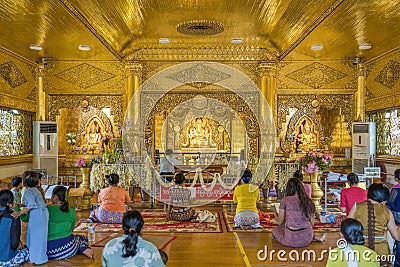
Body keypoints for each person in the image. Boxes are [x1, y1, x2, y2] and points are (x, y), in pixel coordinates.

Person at [348, 183, 399, 262]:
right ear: (384, 197)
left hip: (359, 249)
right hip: (382, 253)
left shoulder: (357, 206)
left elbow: (347, 228)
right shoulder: (387, 212)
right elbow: (396, 237)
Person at [272, 178, 325, 247]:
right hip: (307, 238)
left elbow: (279, 221)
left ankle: (314, 237)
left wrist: (274, 210)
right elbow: (312, 224)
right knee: (303, 227)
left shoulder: (285, 200)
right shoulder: (308, 201)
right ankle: (315, 237)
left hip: (290, 240)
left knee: (275, 230)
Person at [46, 186, 94, 260]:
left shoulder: (46, 209)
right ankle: (84, 249)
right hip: (67, 249)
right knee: (80, 238)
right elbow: (71, 229)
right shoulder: (71, 210)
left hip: (47, 251)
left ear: (55, 197)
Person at [12, 171, 49, 264]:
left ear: (25, 182)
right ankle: (40, 257)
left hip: (37, 215)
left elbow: (31, 205)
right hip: (43, 213)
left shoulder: (28, 192)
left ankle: (35, 258)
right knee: (41, 236)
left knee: (35, 236)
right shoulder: (35, 190)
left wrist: (19, 213)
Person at [0, 190, 29, 266]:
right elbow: (14, 242)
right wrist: (18, 245)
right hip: (5, 258)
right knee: (27, 252)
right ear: (10, 203)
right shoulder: (14, 216)